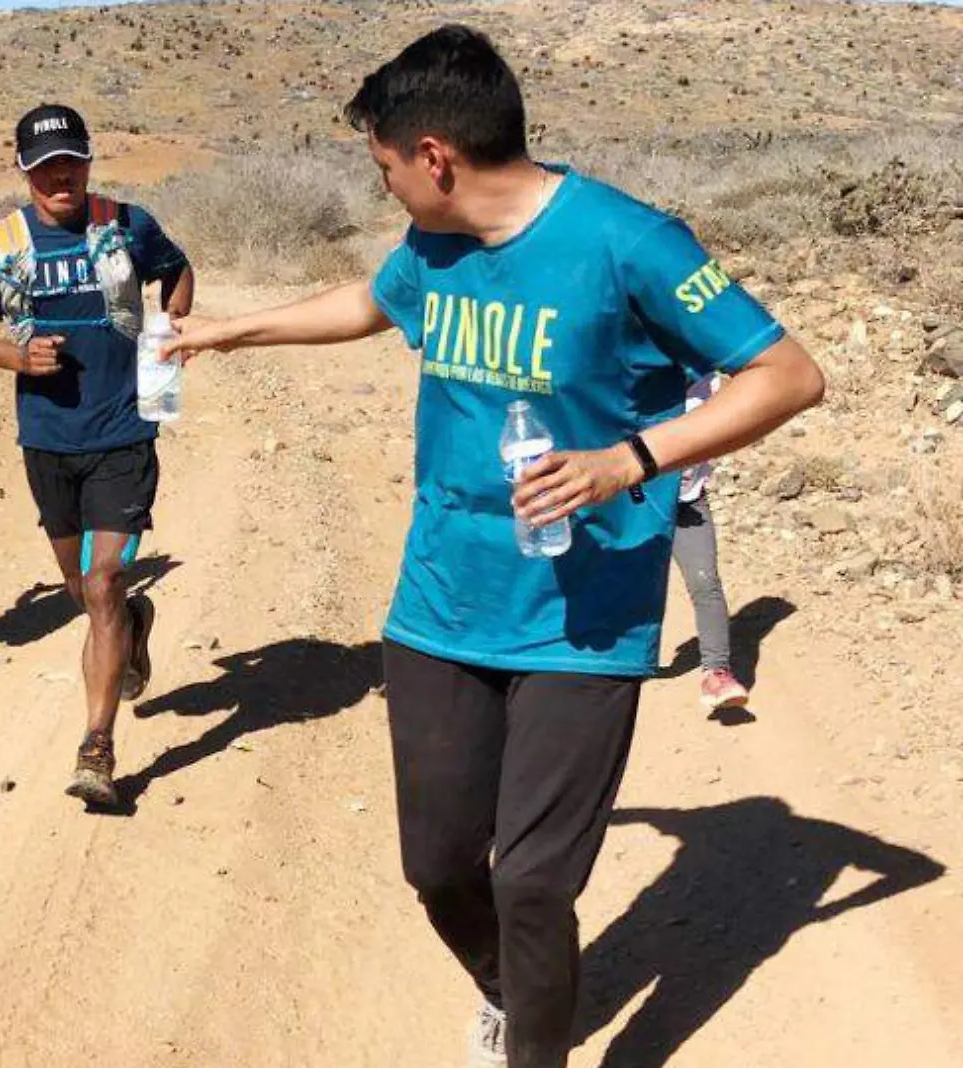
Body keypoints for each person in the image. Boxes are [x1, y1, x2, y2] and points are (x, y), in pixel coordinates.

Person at [166, 26, 823, 1068]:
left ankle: (538, 1048)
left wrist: (631, 459)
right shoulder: (432, 245)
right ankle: (513, 991)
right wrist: (228, 334)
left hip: (584, 617)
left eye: (380, 165)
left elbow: (786, 375)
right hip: (439, 603)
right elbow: (373, 302)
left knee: (531, 882)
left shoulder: (627, 241)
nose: (381, 187)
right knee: (436, 866)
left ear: (433, 157)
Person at [0, 104, 195, 807]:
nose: (60, 175)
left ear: (88, 161)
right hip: (48, 440)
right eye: (44, 166)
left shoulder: (127, 223)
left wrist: (170, 325)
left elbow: (176, 271)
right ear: (25, 172)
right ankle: (131, 628)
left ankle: (98, 746)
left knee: (103, 583)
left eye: (72, 161)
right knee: (81, 593)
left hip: (124, 429)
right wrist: (15, 358)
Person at [673, 372, 751, 710]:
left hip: (688, 503)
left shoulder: (711, 385)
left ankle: (717, 674)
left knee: (705, 582)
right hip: (635, 505)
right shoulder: (632, 375)